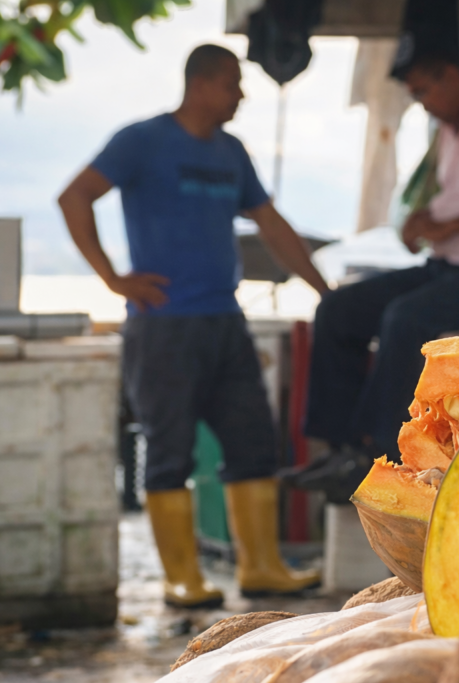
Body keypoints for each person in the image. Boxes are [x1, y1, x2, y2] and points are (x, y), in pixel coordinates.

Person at [57, 44, 327, 608]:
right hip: (163, 326)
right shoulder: (143, 140)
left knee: (254, 442)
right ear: (202, 84)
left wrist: (325, 291)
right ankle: (182, 579)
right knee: (169, 451)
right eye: (233, 84)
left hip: (225, 322)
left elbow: (271, 224)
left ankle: (262, 569)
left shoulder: (231, 151)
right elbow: (74, 196)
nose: (241, 95)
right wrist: (112, 278)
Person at [293, 34, 459, 498]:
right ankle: (339, 448)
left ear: (449, 75)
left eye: (422, 92)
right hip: (452, 266)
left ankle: (377, 452)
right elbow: (455, 208)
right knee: (339, 309)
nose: (421, 103)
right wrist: (427, 221)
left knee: (407, 318)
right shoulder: (451, 128)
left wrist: (450, 224)